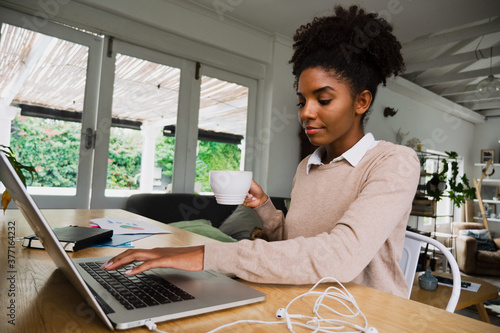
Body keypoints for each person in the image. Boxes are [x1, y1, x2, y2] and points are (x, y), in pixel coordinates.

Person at [102, 5, 420, 298]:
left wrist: (206, 254)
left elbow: (338, 256)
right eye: (301, 101)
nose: (306, 112)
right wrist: (265, 208)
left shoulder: (394, 163)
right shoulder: (308, 166)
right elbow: (294, 251)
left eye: (322, 100)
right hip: (302, 303)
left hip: (367, 315)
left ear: (361, 102)